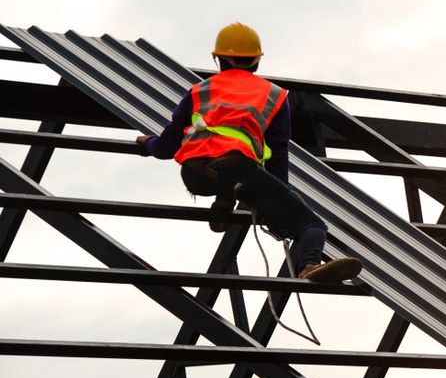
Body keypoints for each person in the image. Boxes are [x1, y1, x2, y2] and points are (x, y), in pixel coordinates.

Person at [137, 22, 361, 282]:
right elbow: (278, 152)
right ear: (256, 61)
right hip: (237, 170)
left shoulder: (200, 90)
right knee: (312, 225)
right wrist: (280, 199)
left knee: (231, 169)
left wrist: (147, 143)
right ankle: (309, 265)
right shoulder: (274, 95)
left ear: (218, 58)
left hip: (194, 175)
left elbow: (166, 147)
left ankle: (224, 201)